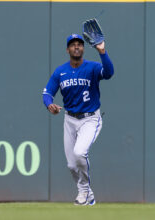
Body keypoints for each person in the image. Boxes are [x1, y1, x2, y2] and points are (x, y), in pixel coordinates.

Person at [42, 33, 114, 205]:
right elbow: (47, 93)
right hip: (70, 120)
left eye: (79, 44)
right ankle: (87, 195)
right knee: (72, 165)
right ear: (67, 49)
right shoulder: (60, 72)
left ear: (83, 48)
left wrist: (102, 52)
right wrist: (49, 104)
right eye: (73, 44)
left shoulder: (93, 67)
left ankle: (84, 191)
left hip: (90, 119)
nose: (76, 46)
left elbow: (109, 73)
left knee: (80, 152)